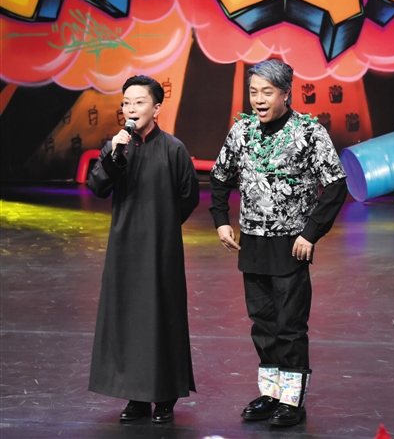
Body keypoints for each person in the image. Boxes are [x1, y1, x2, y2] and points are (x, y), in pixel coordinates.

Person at [209, 59, 347, 427]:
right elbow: (220, 177)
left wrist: (310, 233)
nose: (258, 99)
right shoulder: (242, 131)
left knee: (289, 326)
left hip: (291, 244)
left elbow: (335, 185)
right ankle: (271, 394)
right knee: (263, 325)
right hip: (252, 242)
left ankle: (292, 401)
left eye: (266, 92)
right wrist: (221, 221)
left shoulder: (309, 132)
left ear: (286, 93)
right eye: (253, 92)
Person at [88, 75, 199, 424]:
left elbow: (188, 197)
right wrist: (114, 154)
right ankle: (135, 397)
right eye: (126, 103)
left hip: (162, 246)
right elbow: (97, 186)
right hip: (124, 245)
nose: (131, 109)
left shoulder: (174, 149)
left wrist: (163, 226)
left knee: (162, 317)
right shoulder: (116, 146)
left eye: (139, 102)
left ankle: (165, 397)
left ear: (157, 107)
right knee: (129, 318)